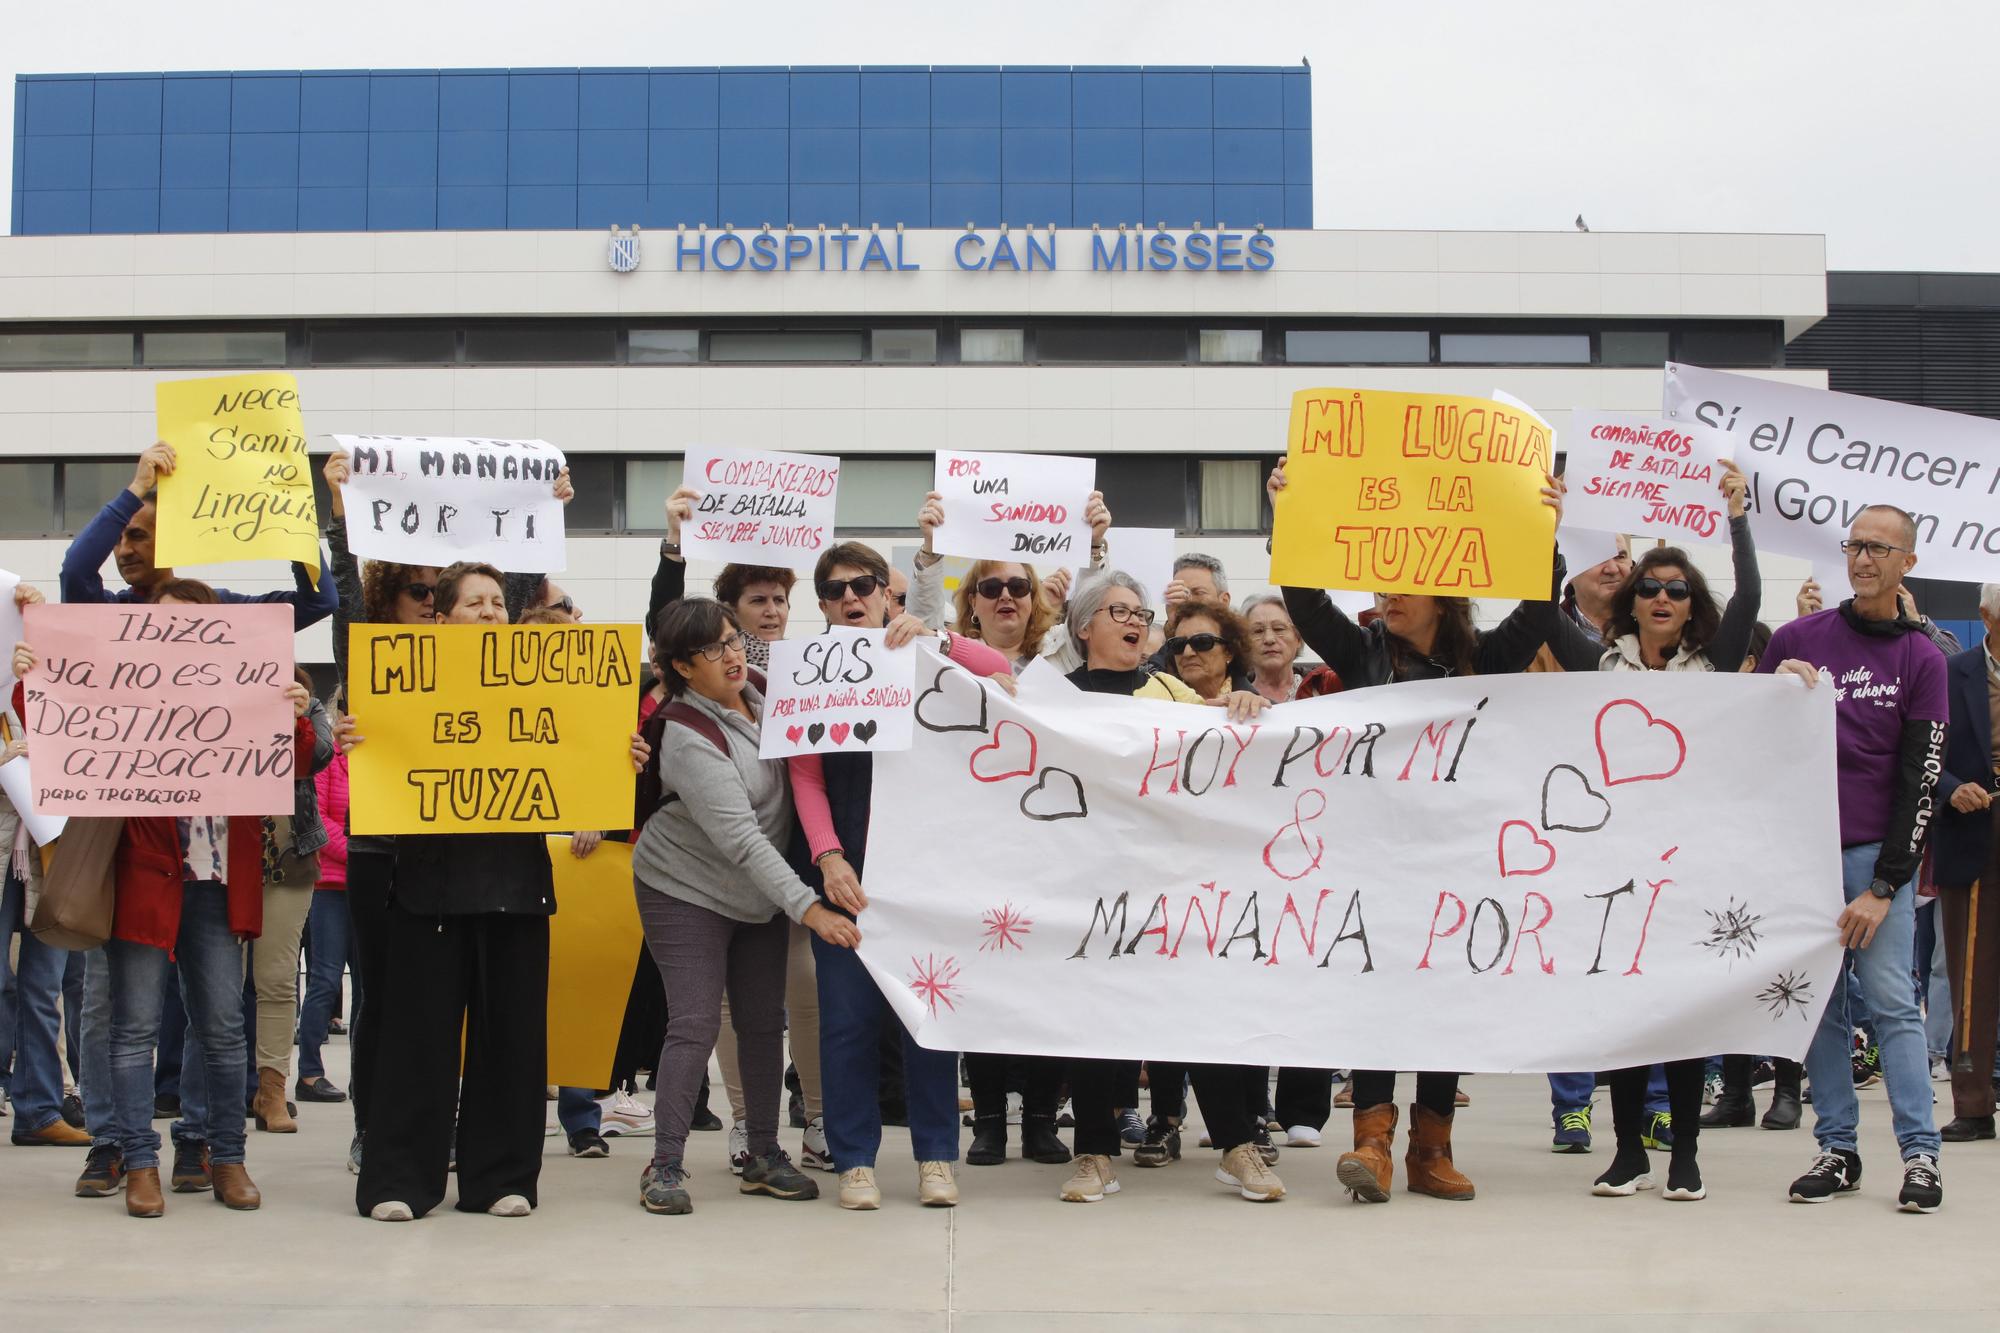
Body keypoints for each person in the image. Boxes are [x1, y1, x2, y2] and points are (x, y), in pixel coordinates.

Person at [1268, 456, 1568, 1204]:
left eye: (1403, 583)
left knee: (1443, 999)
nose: (1387, 595)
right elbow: (1305, 599)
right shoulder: (1363, 652)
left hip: (1458, 861)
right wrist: (1289, 513)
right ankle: (1371, 1144)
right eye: (1381, 584)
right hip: (1375, 860)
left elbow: (1538, 610)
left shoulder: (1483, 659)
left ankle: (1432, 1150)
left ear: (1444, 592)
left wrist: (1544, 529)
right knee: (1377, 992)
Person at [346, 561, 645, 1222]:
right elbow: (377, 757)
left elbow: (586, 757)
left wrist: (618, 757)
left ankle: (501, 1176)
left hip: (516, 883)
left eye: (496, 603)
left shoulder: (548, 683)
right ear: (440, 617)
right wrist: (357, 738)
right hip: (429, 885)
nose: (488, 612)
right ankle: (400, 1179)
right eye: (474, 602)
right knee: (418, 1039)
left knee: (511, 1037)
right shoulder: (404, 682)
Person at [17, 579, 319, 1217]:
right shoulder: (121, 691)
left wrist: (292, 714)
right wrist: (30, 676)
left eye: (192, 624)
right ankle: (139, 1163)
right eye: (165, 624)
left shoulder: (243, 691)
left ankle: (226, 1158)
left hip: (217, 883)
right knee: (132, 1030)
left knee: (223, 1029)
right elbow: (58, 727)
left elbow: (292, 763)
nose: (177, 636)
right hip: (144, 882)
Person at [1547, 461, 1759, 1201]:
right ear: (1630, 601)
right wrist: (1550, 530)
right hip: (1616, 869)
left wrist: (1737, 517)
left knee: (1681, 1017)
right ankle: (1628, 1152)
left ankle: (1685, 1156)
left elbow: (1750, 597)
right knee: (1626, 1015)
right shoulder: (1598, 663)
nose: (1663, 596)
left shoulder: (1715, 665)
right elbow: (1539, 609)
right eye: (1650, 587)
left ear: (1692, 604)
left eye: (1677, 588)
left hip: (1690, 869)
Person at [788, 542, 1015, 1209]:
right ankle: (854, 1161)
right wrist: (828, 855)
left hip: (925, 874)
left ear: (886, 594)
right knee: (846, 1023)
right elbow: (804, 773)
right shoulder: (810, 670)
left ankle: (936, 1156)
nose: (850, 598)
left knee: (928, 1020)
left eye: (863, 585)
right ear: (823, 604)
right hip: (847, 876)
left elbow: (1000, 668)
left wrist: (937, 638)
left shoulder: (923, 653)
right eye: (835, 590)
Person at [1055, 571, 1280, 1205]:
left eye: (1141, 613)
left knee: (1195, 1010)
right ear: (1084, 627)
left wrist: (1245, 705)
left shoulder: (1168, 690)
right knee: (1098, 1021)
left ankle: (1236, 1146)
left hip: (1173, 885)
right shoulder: (1056, 697)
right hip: (1092, 887)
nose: (1136, 622)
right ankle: (1094, 1153)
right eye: (1120, 611)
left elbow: (1221, 727)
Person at [632, 597, 861, 1216]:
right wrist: (811, 909)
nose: (731, 654)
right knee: (695, 1022)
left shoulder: (766, 691)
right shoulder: (686, 733)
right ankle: (665, 1164)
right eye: (712, 649)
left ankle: (763, 1154)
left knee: (763, 1021)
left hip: (757, 890)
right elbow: (742, 840)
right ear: (682, 666)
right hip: (684, 885)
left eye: (732, 639)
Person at [1762, 505, 1948, 1212]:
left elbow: (1921, 780)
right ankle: (1837, 1148)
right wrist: (1774, 687)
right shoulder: (1798, 637)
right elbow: (1741, 734)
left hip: (1875, 858)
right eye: (1854, 545)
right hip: (1801, 855)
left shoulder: (1922, 658)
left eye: (1879, 548)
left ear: (1908, 562)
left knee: (1895, 1004)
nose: (1863, 558)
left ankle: (1921, 1155)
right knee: (1818, 1008)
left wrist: (1884, 885)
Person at [655, 485, 826, 1167]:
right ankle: (703, 1147)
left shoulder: (796, 677)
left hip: (784, 869)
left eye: (781, 598)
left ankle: (794, 1131)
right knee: (710, 1015)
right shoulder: (694, 712)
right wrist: (674, 545)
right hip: (705, 877)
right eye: (758, 600)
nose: (773, 609)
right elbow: (663, 622)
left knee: (785, 1004)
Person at [61, 441, 336, 630]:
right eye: (115, 541)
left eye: (137, 535)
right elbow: (75, 571)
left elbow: (319, 601)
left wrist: (292, 521)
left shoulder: (218, 610)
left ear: (171, 536)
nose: (124, 551)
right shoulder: (107, 614)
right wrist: (138, 487)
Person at [0, 581, 88, 1149]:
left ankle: (37, 1110)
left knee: (43, 985)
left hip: (50, 852)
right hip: (13, 843)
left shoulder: (65, 689)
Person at [1931, 583, 1999, 1143]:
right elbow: (1922, 752)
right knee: (1971, 974)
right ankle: (1973, 1104)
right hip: (1977, 830)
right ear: (1986, 616)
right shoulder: (1952, 673)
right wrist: (1952, 788)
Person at [908, 487, 1112, 672]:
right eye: (991, 588)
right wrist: (931, 546)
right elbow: (924, 621)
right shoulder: (950, 654)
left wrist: (1093, 544)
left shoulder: (1064, 649)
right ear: (973, 602)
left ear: (1032, 598)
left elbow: (1094, 614)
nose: (1005, 596)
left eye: (1017, 587)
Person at [296, 738, 351, 1104]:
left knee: (369, 985)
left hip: (375, 885)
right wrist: (358, 853)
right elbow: (318, 818)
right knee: (325, 978)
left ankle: (366, 1072)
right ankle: (309, 1072)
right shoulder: (329, 760)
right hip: (331, 886)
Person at [1159, 600, 1252, 701]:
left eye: (1202, 642)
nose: (1187, 653)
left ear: (1229, 651)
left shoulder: (1256, 706)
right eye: (1178, 644)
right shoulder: (1157, 701)